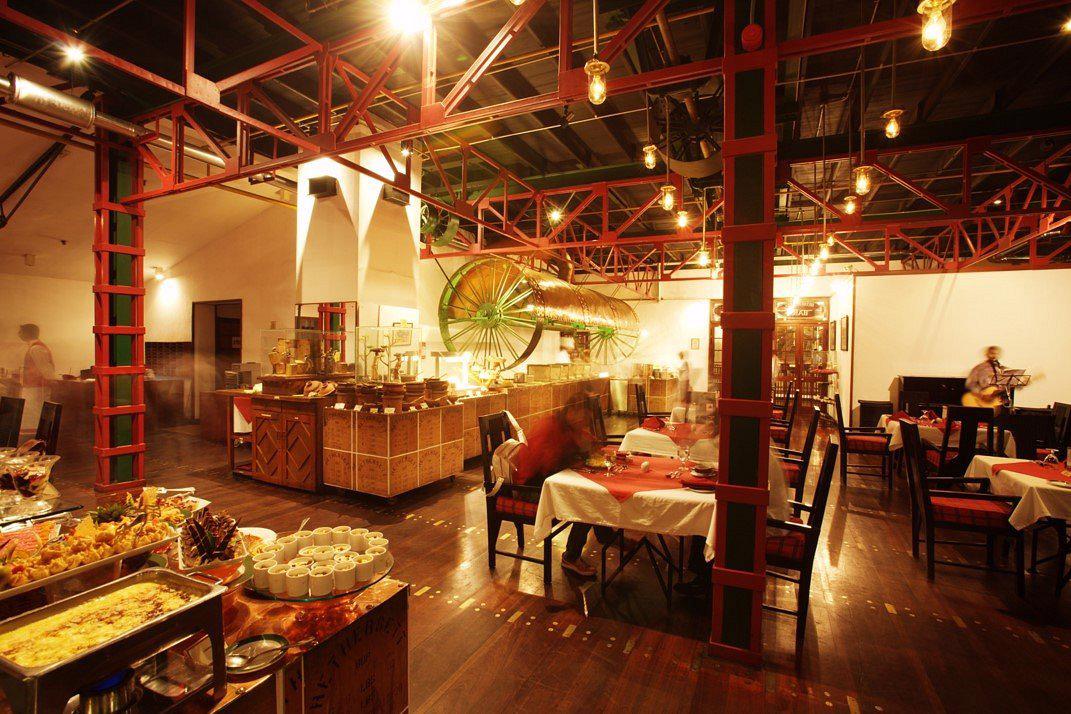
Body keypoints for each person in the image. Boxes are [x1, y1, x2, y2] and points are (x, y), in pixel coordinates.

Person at [510, 395, 613, 578]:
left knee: (594, 491)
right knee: (586, 500)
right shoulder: (550, 427)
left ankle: (606, 535)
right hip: (530, 488)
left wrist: (589, 446)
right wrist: (577, 453)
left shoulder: (567, 426)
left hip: (548, 482)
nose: (584, 422)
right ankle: (571, 557)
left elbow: (585, 442)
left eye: (586, 419)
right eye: (582, 417)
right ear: (571, 411)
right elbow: (548, 464)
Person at [17, 324, 56, 436]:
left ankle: (36, 439)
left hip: (37, 389)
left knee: (35, 416)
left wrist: (52, 382)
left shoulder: (37, 348)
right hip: (32, 388)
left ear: (28, 333)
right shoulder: (34, 347)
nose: (18, 334)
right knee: (31, 415)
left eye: (20, 332)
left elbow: (46, 369)